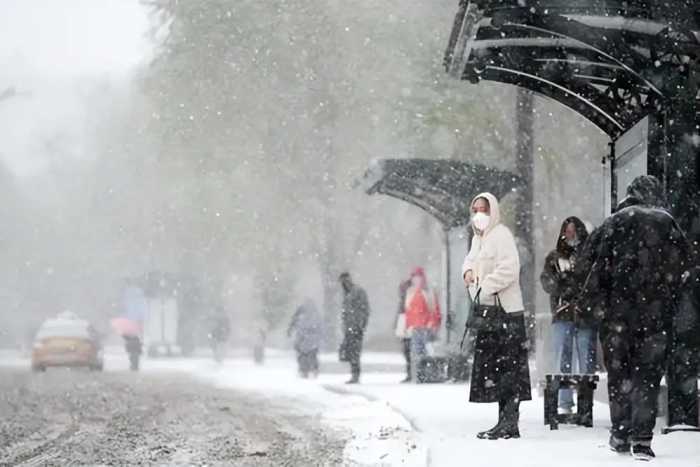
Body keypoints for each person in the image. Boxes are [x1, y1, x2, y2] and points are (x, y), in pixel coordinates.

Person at [575, 175, 689, 460]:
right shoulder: (667, 223)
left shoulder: (614, 222)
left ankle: (621, 433)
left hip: (618, 317)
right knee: (647, 377)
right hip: (656, 318)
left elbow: (587, 263)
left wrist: (592, 303)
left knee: (620, 374)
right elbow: (687, 266)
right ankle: (642, 439)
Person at [462, 192, 531, 440]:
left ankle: (510, 422)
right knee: (496, 369)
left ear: (493, 211)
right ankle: (504, 422)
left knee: (509, 369)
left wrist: (485, 286)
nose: (479, 214)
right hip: (490, 314)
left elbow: (510, 268)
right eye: (476, 209)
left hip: (506, 313)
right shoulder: (478, 239)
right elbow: (469, 261)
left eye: (484, 209)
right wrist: (468, 272)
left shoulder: (501, 235)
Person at [540, 217, 596, 415]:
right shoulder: (555, 257)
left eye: (574, 230)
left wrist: (584, 297)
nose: (570, 235)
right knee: (561, 357)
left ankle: (585, 403)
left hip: (584, 314)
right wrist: (560, 285)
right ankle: (564, 402)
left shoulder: (589, 256)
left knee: (586, 360)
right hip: (562, 313)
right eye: (567, 230)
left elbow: (594, 282)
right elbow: (546, 281)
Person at [404, 267, 442, 382]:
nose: (416, 280)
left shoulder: (428, 292)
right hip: (415, 328)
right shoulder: (410, 292)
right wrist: (408, 326)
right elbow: (408, 311)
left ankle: (427, 375)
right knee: (416, 353)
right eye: (414, 278)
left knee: (425, 353)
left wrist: (432, 323)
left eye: (418, 277)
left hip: (426, 327)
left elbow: (434, 309)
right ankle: (420, 376)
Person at [339, 272, 370, 384]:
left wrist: (361, 324)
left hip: (356, 327)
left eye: (345, 281)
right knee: (351, 351)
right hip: (349, 327)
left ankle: (356, 375)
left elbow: (365, 309)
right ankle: (354, 374)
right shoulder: (347, 294)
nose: (344, 284)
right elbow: (346, 312)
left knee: (355, 352)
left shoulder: (358, 292)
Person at [288, 298, 322, 378]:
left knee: (303, 355)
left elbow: (293, 322)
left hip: (302, 338)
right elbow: (320, 327)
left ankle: (305, 370)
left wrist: (290, 330)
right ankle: (313, 369)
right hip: (310, 339)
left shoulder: (300, 313)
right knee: (311, 355)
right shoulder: (315, 314)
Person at [395, 278, 412, 383]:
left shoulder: (408, 299)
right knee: (407, 352)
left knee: (408, 352)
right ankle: (410, 373)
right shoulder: (403, 299)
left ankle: (410, 373)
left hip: (408, 328)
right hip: (405, 328)